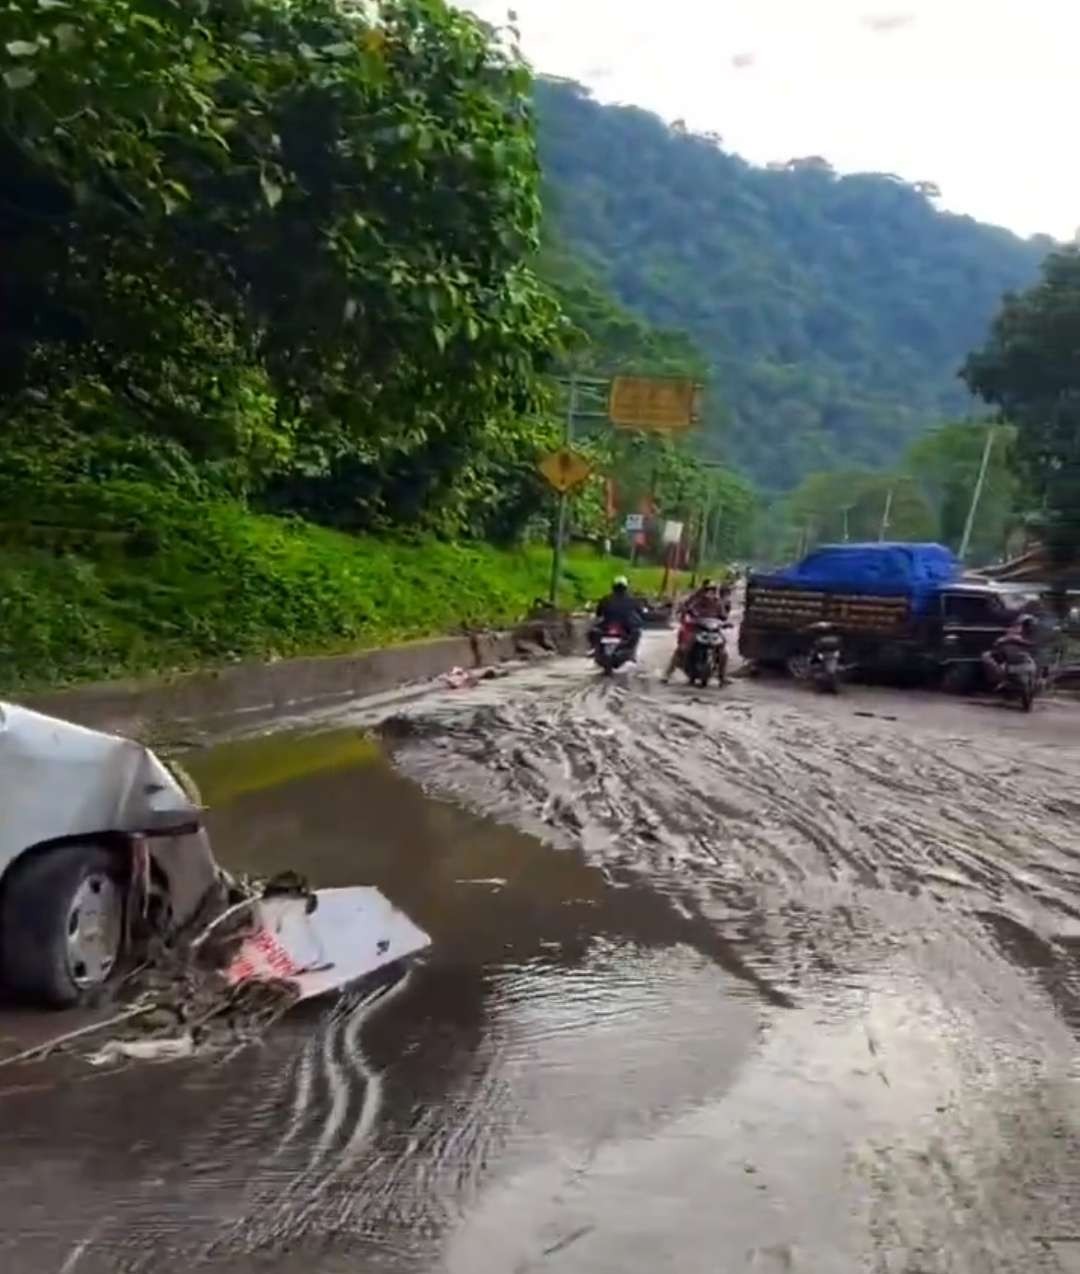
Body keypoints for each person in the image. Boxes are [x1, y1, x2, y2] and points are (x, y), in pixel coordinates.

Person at [663, 580, 728, 683]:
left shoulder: (718, 603)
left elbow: (724, 616)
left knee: (723, 652)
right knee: (682, 649)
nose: (710, 593)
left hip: (713, 631)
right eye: (708, 590)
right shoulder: (695, 601)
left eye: (712, 590)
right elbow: (686, 610)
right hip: (695, 630)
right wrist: (689, 616)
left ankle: (722, 677)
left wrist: (725, 623)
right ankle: (667, 674)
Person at [590, 575, 644, 658]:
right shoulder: (632, 600)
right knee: (636, 631)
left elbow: (598, 613)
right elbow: (640, 612)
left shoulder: (606, 599)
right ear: (626, 587)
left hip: (608, 625)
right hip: (625, 626)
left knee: (594, 631)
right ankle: (632, 654)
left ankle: (594, 648)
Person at [981, 613, 1038, 688]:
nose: (1027, 627)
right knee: (986, 656)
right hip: (1008, 657)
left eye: (1028, 624)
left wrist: (1017, 640)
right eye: (1025, 624)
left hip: (1025, 658)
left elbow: (1033, 643)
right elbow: (998, 642)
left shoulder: (1034, 634)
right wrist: (1005, 640)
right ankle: (1002, 680)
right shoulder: (1013, 630)